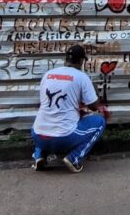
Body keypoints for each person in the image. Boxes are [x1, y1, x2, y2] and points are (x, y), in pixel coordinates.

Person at [31, 44, 106, 172]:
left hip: (37, 135)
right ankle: (73, 158)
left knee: (44, 120)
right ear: (81, 61)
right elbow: (94, 106)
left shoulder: (48, 74)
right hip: (63, 138)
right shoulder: (81, 77)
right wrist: (95, 91)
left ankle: (39, 155)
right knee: (99, 122)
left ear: (65, 59)